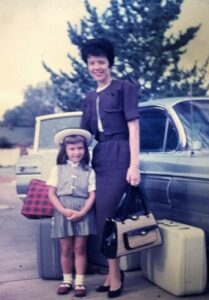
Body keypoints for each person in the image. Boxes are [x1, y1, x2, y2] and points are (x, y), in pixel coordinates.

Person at [80, 38, 140, 298]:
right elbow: (85, 135)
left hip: (120, 153)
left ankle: (116, 275)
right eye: (92, 63)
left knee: (109, 216)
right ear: (88, 66)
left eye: (101, 62)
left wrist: (134, 165)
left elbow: (134, 128)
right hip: (100, 155)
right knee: (101, 216)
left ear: (109, 63)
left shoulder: (124, 88)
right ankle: (111, 272)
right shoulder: (89, 97)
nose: (97, 67)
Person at [47, 128, 96, 297]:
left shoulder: (89, 171)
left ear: (85, 149)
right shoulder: (57, 169)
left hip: (83, 213)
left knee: (80, 248)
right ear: (65, 150)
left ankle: (80, 283)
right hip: (63, 212)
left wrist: (82, 213)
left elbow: (92, 195)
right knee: (66, 249)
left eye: (80, 148)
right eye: (72, 149)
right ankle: (67, 280)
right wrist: (62, 210)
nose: (76, 152)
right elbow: (51, 193)